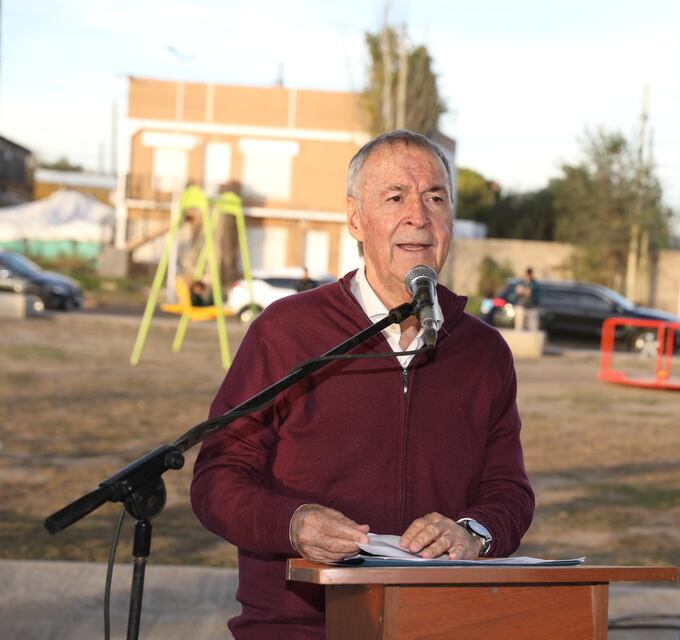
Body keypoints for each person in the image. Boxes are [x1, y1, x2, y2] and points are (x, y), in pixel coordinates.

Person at [190, 129, 535, 639]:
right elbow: (218, 479)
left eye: (435, 198)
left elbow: (509, 491)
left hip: (440, 624)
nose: (418, 215)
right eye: (396, 197)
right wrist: (293, 523)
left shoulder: (483, 351)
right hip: (300, 626)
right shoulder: (288, 331)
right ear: (356, 218)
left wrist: (472, 533)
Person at [512, 267, 540, 331]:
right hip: (521, 307)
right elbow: (515, 294)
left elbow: (533, 294)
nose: (528, 276)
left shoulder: (535, 284)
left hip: (532, 308)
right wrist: (521, 291)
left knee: (533, 327)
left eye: (529, 274)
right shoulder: (520, 282)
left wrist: (525, 291)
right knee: (519, 326)